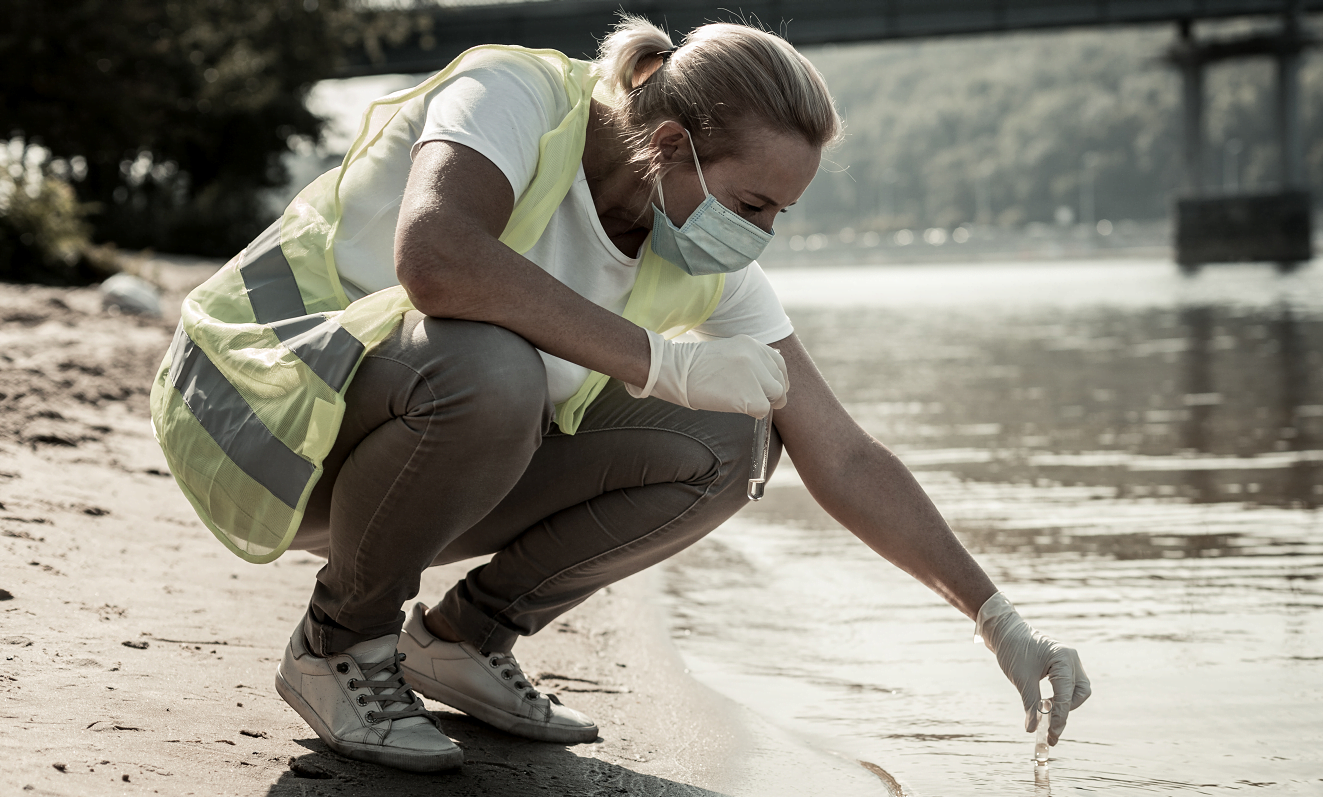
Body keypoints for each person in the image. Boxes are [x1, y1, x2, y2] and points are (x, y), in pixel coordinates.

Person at [151, 15, 1090, 773]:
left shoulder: (697, 252)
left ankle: (464, 641)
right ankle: (337, 642)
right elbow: (436, 257)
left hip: (401, 448)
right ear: (672, 143)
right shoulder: (518, 94)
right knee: (492, 365)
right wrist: (662, 360)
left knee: (734, 442)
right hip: (250, 400)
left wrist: (994, 618)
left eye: (779, 213)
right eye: (753, 205)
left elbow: (838, 449)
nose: (761, 234)